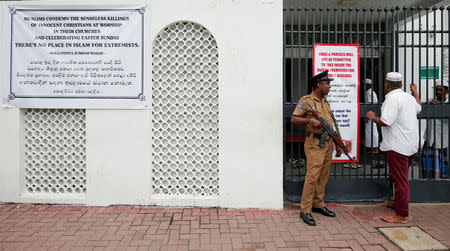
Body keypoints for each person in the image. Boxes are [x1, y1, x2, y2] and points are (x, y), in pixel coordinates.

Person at [366, 72, 422, 223]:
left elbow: (386, 121)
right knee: (400, 177)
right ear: (401, 84)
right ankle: (397, 203)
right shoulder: (408, 97)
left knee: (401, 180)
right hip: (411, 145)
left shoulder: (392, 98)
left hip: (398, 147)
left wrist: (371, 116)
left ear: (387, 85)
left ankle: (401, 214)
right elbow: (419, 107)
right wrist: (415, 92)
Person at [291, 70, 343, 226]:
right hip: (314, 144)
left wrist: (337, 143)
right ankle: (305, 210)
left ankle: (318, 204)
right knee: (312, 176)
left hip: (327, 143)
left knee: (323, 176)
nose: (329, 86)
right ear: (318, 85)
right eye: (327, 83)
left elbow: (331, 126)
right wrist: (309, 121)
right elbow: (294, 118)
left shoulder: (325, 102)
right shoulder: (306, 101)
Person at [422, 80, 449, 179]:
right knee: (427, 166)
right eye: (436, 90)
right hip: (430, 140)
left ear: (447, 91)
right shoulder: (431, 102)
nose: (437, 92)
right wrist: (430, 106)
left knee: (444, 167)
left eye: (440, 90)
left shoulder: (448, 104)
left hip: (444, 141)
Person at [364, 79, 379, 154]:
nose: (364, 86)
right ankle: (373, 148)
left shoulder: (370, 93)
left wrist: (368, 117)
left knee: (372, 131)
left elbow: (370, 105)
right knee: (370, 131)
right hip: (371, 114)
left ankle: (375, 149)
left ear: (368, 85)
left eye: (365, 84)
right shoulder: (369, 92)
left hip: (371, 115)